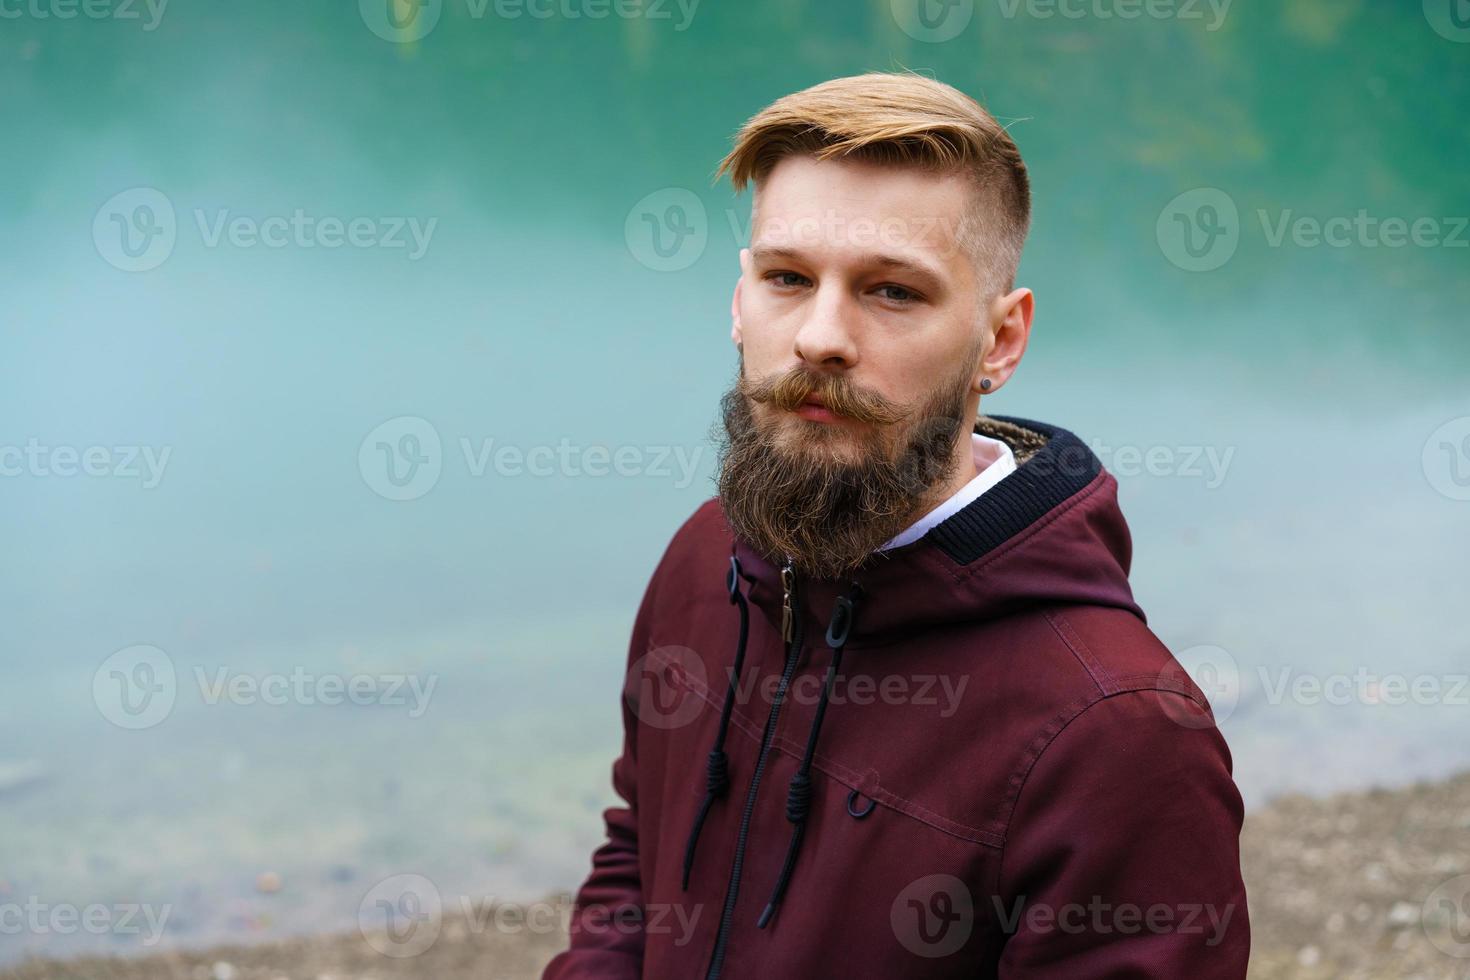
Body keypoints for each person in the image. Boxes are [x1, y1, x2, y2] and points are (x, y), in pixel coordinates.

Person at [544, 71, 1249, 979]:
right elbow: (638, 859)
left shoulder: (1119, 737)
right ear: (737, 301)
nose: (820, 338)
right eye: (787, 278)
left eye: (893, 293)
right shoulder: (704, 559)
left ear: (1000, 341)